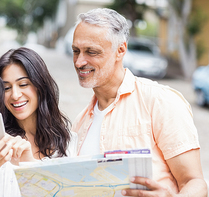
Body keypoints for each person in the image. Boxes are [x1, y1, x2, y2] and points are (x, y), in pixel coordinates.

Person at [71, 8, 208, 196]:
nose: (79, 62)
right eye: (75, 51)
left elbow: (195, 183)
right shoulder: (80, 123)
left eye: (91, 52)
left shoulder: (160, 101)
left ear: (120, 50)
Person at [0, 47, 77, 197]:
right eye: (6, 88)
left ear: (41, 86)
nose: (15, 95)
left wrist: (29, 168)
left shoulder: (69, 142)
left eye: (23, 84)